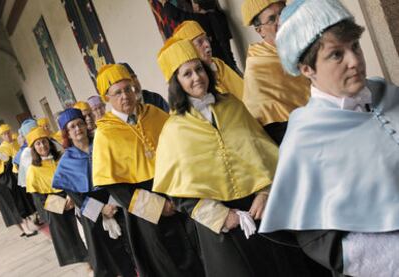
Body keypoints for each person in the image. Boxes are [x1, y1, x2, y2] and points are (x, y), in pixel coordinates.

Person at [154, 37, 327, 277]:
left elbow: (264, 152)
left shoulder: (232, 105)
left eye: (199, 69)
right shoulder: (174, 130)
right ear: (176, 83)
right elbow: (180, 193)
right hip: (223, 229)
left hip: (262, 211)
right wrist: (223, 217)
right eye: (187, 74)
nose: (197, 77)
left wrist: (266, 192)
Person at [259, 0, 399, 276]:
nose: (355, 61)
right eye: (336, 54)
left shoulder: (388, 94)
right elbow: (328, 245)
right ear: (306, 68)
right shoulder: (305, 141)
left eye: (355, 46)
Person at [93, 63, 203, 277]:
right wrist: (157, 206)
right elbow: (116, 188)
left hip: (178, 194)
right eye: (117, 92)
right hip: (145, 209)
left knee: (197, 249)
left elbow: (180, 150)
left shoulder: (154, 114)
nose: (125, 96)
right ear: (107, 98)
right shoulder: (105, 133)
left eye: (128, 89)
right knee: (166, 263)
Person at [52, 108, 137, 277]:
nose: (78, 129)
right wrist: (101, 210)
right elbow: (77, 199)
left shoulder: (101, 144)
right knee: (108, 259)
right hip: (92, 214)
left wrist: (114, 202)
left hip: (117, 202)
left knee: (132, 250)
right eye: (72, 127)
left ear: (85, 125)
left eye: (80, 124)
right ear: (67, 133)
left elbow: (119, 173)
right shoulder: (66, 162)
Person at [240, 0, 310, 144]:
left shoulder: (303, 40)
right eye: (272, 19)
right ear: (259, 30)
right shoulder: (257, 68)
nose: (282, 21)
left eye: (283, 13)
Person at [26, 126, 88, 266]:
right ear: (34, 148)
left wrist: (72, 197)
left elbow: (75, 177)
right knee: (73, 240)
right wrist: (63, 205)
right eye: (38, 143)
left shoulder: (63, 157)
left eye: (44, 141)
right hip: (57, 209)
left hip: (75, 198)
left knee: (87, 234)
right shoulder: (33, 170)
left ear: (49, 142)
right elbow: (39, 199)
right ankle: (88, 266)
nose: (42, 146)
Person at [159, 0, 239, 73]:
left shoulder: (198, 20)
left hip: (217, 68)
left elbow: (176, 15)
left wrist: (164, 3)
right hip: (231, 65)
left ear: (197, 6)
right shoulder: (220, 16)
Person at [172, 20, 244, 100]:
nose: (207, 44)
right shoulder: (193, 81)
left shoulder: (217, 64)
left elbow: (244, 92)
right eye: (200, 42)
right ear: (189, 50)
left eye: (206, 39)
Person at [0, 144, 37, 237]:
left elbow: (7, 159)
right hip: (2, 194)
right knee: (11, 211)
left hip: (12, 189)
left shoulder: (2, 163)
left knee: (19, 209)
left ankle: (26, 230)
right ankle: (24, 230)